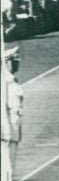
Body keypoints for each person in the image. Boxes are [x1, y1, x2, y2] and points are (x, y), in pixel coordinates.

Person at [1, 45, 23, 174]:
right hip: (6, 135)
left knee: (9, 171)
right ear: (6, 62)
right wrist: (7, 133)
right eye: (14, 62)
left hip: (13, 134)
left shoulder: (12, 81)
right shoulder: (5, 82)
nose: (17, 64)